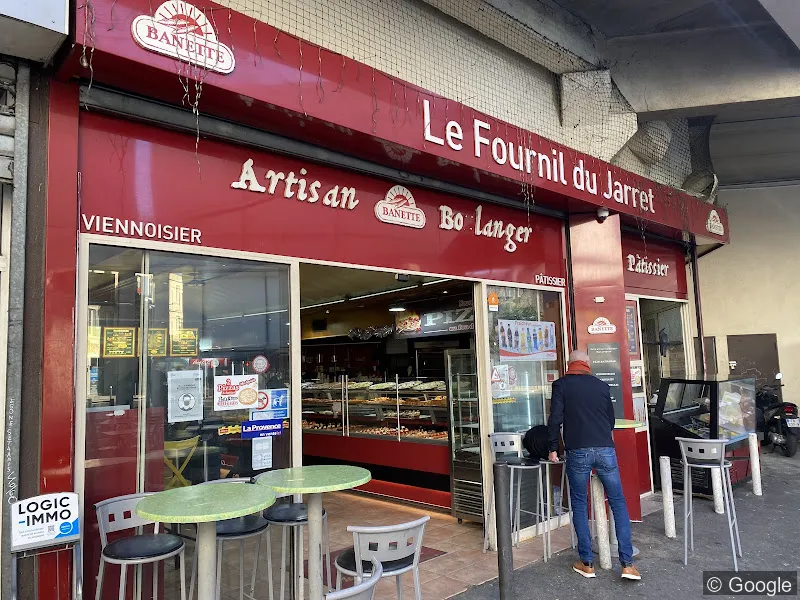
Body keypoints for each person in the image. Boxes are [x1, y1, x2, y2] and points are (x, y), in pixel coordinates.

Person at [547, 350, 641, 581]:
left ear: (569, 365)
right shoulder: (601, 386)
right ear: (587, 365)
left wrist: (552, 448)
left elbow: (555, 419)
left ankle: (587, 562)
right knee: (618, 502)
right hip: (604, 449)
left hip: (577, 450)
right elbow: (610, 420)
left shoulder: (561, 385)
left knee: (579, 503)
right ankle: (627, 564)